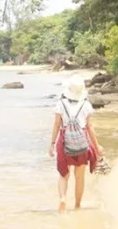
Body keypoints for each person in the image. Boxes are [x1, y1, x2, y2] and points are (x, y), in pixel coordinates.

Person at [47, 73, 105, 212]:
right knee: (79, 176)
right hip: (82, 141)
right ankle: (77, 205)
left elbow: (57, 125)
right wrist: (97, 146)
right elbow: (90, 127)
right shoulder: (86, 105)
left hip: (64, 141)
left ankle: (62, 199)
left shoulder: (60, 104)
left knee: (63, 175)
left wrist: (52, 144)